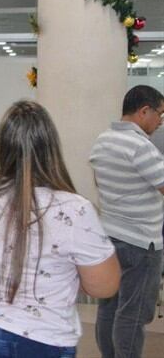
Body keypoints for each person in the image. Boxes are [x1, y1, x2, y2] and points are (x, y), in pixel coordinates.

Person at [0, 100, 120, 357]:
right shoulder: (75, 209)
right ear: (51, 147)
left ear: (2, 146)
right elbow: (104, 286)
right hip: (44, 338)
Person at [90, 85, 164, 358]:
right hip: (142, 242)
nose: (159, 121)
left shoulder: (103, 140)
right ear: (144, 110)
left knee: (109, 306)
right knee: (133, 313)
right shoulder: (140, 146)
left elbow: (99, 182)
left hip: (111, 236)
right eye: (160, 114)